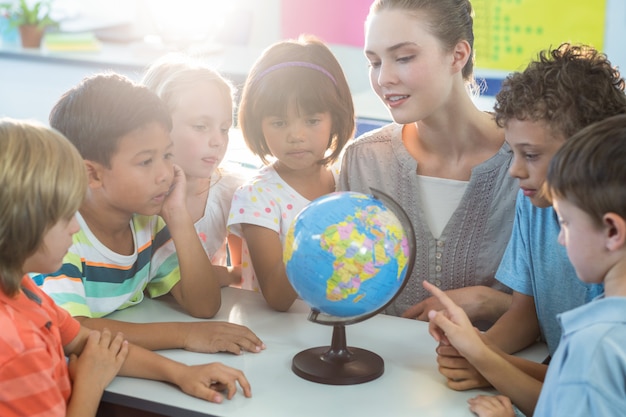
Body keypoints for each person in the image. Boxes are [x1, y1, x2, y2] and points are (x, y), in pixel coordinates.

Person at [0, 119, 251, 417]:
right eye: (66, 215)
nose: (75, 226)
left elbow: (87, 341)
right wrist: (89, 384)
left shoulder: (23, 290)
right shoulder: (17, 347)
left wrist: (180, 373)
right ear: (19, 221)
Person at [434, 44, 626, 394]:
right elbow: (526, 313)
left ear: (587, 151)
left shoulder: (604, 239)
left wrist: (490, 366)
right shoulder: (533, 200)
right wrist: (477, 353)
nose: (514, 171)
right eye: (513, 152)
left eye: (531, 155)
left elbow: (582, 390)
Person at [37, 73, 265, 355]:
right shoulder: (60, 235)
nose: (164, 174)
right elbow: (74, 330)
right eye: (146, 161)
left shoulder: (147, 225)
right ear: (92, 173)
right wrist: (184, 334)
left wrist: (177, 215)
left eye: (168, 156)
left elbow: (204, 305)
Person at [339, 0, 517, 320]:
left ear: (458, 55)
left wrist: (492, 303)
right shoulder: (363, 160)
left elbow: (572, 305)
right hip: (382, 366)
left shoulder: (527, 163)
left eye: (404, 57)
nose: (383, 79)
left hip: (495, 367)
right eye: (375, 62)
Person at [228, 35, 355, 311]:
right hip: (276, 339)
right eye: (279, 122)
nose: (296, 135)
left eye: (312, 120)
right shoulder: (257, 196)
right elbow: (276, 297)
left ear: (335, 118)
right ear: (257, 124)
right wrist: (320, 234)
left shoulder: (348, 179)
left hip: (337, 330)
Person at [142, 53, 246, 288]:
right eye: (201, 127)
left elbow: (238, 274)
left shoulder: (231, 193)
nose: (218, 141)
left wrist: (220, 276)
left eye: (224, 129)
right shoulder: (135, 197)